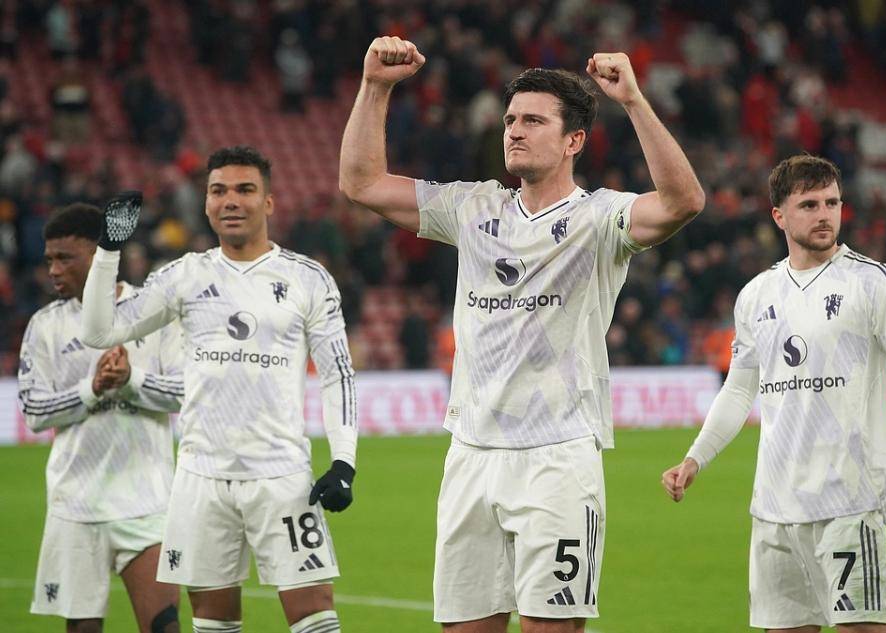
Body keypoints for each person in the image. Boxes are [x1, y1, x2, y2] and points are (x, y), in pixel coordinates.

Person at [339, 36, 705, 632]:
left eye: (534, 121)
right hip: (470, 453)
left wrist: (634, 102)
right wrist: (375, 87)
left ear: (573, 141)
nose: (514, 130)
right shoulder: (472, 208)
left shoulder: (600, 218)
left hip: (557, 457)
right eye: (511, 119)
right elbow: (361, 183)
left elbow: (683, 201)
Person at [80, 146, 358, 633]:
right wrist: (107, 251)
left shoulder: (307, 278)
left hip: (281, 475)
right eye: (218, 190)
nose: (230, 200)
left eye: (245, 190)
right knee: (212, 620)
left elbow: (338, 374)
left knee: (314, 615)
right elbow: (100, 332)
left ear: (268, 202)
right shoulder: (183, 276)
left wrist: (343, 462)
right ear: (206, 203)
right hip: (201, 477)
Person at [662, 154, 886, 632]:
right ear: (779, 215)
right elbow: (739, 389)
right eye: (809, 205)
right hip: (774, 509)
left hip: (849, 502)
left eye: (832, 203)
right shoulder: (756, 294)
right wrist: (695, 458)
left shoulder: (871, 281)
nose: (824, 214)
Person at [19, 202, 183, 633]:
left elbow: (186, 392)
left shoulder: (154, 312)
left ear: (99, 254)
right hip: (75, 504)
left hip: (147, 502)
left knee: (165, 627)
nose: (54, 270)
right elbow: (34, 411)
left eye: (65, 258)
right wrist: (90, 389)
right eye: (49, 260)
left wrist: (130, 379)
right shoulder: (45, 326)